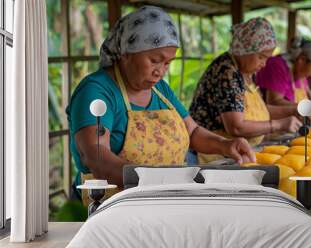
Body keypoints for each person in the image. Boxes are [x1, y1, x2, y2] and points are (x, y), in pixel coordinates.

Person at [66, 6, 255, 203]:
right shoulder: (96, 91)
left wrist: (225, 145)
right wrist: (151, 180)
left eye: (167, 63)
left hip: (161, 200)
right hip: (108, 207)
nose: (161, 71)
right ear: (126, 53)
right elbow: (95, 157)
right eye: (155, 60)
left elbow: (192, 132)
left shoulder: (160, 90)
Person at [189, 17, 302, 164]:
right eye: (261, 57)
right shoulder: (227, 71)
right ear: (245, 50)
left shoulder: (247, 72)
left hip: (237, 152)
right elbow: (236, 127)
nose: (264, 64)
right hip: (214, 154)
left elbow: (260, 111)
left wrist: (294, 110)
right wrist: (278, 125)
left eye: (267, 58)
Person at [256, 38, 311, 123]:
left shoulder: (301, 72)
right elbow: (275, 101)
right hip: (275, 127)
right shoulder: (277, 65)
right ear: (301, 60)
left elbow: (309, 93)